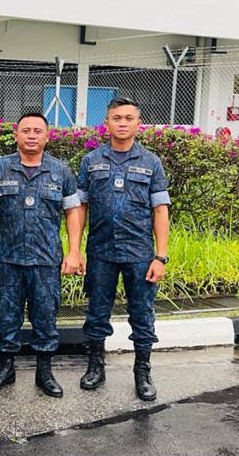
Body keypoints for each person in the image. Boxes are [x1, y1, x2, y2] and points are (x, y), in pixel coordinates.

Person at [0, 112, 83, 398]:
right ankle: (5, 368)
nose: (32, 135)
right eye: (26, 130)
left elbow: (73, 212)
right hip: (8, 259)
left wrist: (74, 251)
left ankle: (44, 372)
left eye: (38, 130)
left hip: (46, 260)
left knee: (46, 316)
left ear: (47, 136)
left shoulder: (60, 171)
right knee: (5, 315)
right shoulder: (0, 168)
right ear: (16, 135)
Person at [75, 97, 170, 401]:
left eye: (129, 118)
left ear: (137, 124)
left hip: (140, 254)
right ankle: (95, 367)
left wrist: (160, 256)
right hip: (101, 252)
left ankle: (142, 373)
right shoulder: (91, 161)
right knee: (96, 313)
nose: (123, 123)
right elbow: (80, 207)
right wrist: (74, 249)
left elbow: (160, 211)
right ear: (108, 123)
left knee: (142, 314)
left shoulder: (151, 162)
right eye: (117, 118)